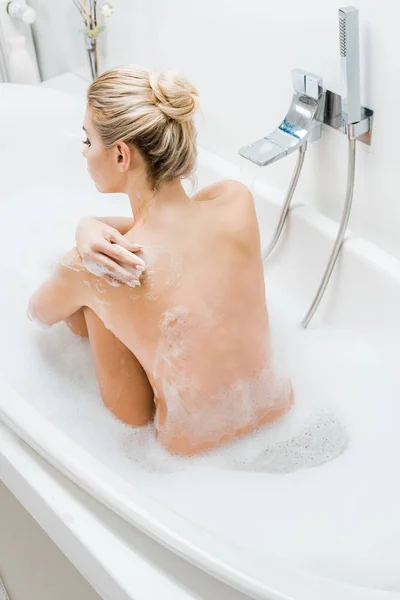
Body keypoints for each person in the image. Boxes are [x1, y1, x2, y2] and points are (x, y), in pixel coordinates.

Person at [28, 65, 293, 456]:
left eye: (88, 141)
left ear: (121, 155)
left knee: (90, 302)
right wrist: (93, 225)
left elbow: (38, 313)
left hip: (189, 453)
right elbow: (173, 234)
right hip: (280, 414)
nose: (84, 152)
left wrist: (85, 231)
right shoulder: (235, 201)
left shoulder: (92, 267)